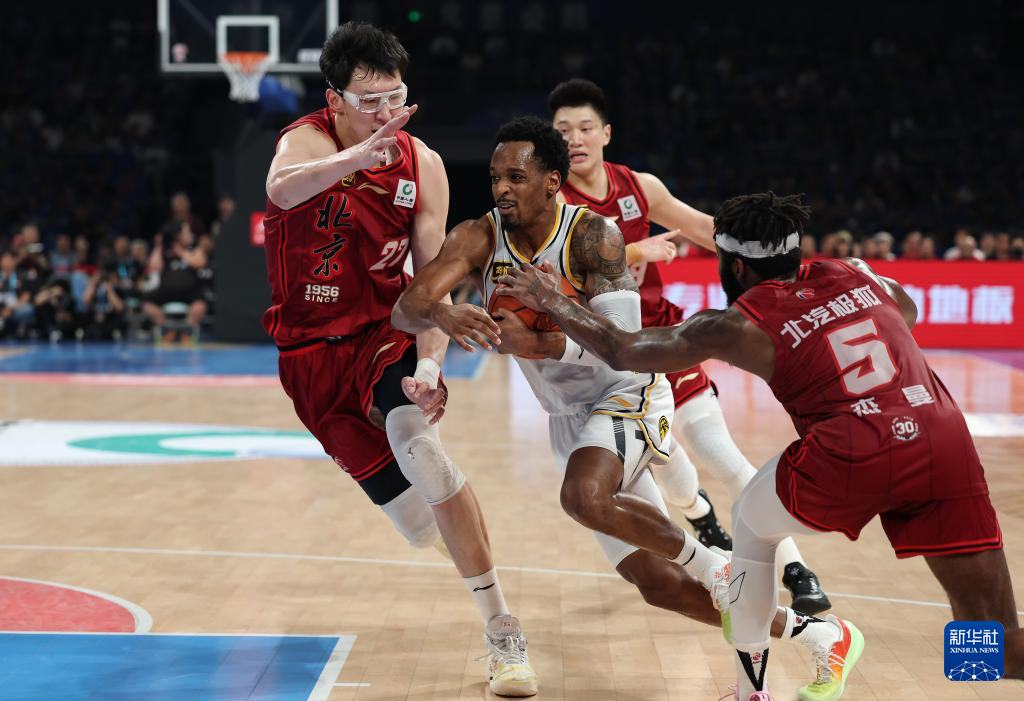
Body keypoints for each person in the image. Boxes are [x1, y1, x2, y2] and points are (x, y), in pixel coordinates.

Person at [393, 119, 859, 696]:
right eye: (495, 178)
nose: (502, 189)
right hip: (567, 416)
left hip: (627, 392)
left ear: (552, 181)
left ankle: (715, 565)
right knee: (657, 586)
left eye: (516, 176)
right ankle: (818, 634)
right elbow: (406, 307)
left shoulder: (595, 236)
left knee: (582, 496)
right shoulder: (479, 235)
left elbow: (623, 348)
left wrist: (538, 339)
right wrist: (443, 313)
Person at [499, 191, 1022, 700]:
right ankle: (985, 663)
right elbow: (904, 310)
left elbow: (623, 348)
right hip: (940, 440)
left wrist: (551, 299)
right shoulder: (857, 271)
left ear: (735, 266)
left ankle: (753, 693)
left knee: (750, 521)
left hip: (854, 447)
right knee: (991, 639)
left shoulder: (739, 324)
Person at [261, 22, 537, 697]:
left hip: (385, 332)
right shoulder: (306, 143)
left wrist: (430, 369)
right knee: (415, 527)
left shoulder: (423, 165)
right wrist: (359, 157)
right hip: (309, 358)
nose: (387, 113)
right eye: (370, 101)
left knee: (425, 451)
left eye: (396, 97)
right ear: (334, 100)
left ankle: (502, 630)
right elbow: (281, 190)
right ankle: (460, 538)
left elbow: (431, 283)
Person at [548, 78, 829, 614]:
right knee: (670, 476)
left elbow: (703, 228)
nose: (575, 139)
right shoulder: (552, 201)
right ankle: (700, 515)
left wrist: (773, 256)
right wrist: (635, 249)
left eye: (585, 128)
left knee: (718, 450)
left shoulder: (639, 186)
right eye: (563, 131)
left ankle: (798, 570)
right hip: (610, 358)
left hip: (662, 339)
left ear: (606, 133)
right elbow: (562, 265)